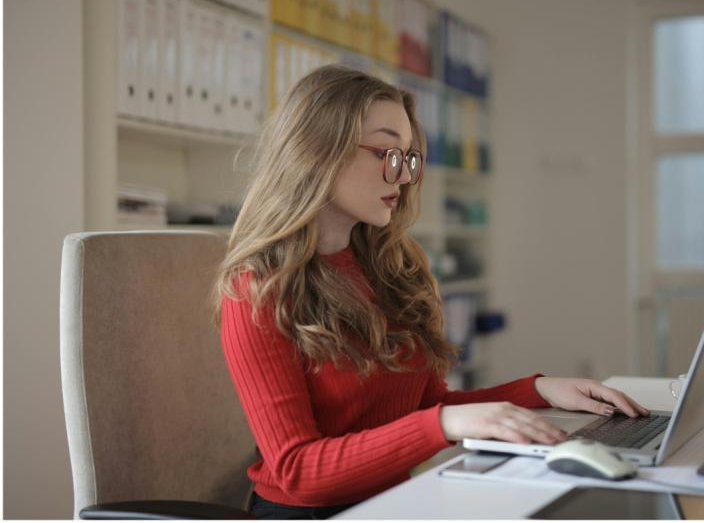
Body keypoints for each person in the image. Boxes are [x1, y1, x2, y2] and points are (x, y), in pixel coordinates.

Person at [215, 65, 648, 519]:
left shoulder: (391, 268)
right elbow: (296, 470)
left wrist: (540, 390)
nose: (402, 177)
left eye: (408, 158)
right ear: (319, 151)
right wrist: (441, 424)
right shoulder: (257, 289)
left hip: (395, 503)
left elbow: (425, 409)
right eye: (387, 153)